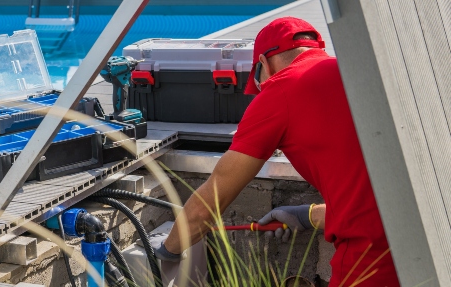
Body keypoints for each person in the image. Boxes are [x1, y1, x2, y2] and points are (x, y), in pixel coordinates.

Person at [151, 17, 401, 286]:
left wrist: (168, 250)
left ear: (263, 64)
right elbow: (369, 195)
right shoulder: (354, 72)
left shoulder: (280, 89)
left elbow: (210, 203)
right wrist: (306, 215)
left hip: (373, 251)